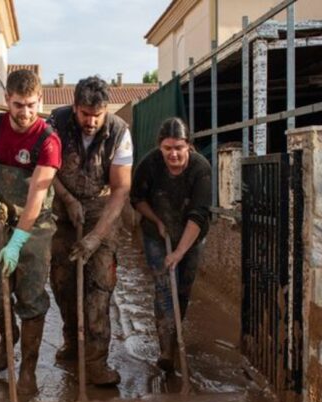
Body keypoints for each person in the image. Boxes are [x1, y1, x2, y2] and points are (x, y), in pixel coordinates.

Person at [0, 69, 62, 396]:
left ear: (40, 101)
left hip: (35, 226)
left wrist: (17, 243)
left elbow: (37, 197)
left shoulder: (48, 141)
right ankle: (8, 337)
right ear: (6, 101)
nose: (25, 113)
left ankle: (28, 370)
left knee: (31, 297)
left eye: (31, 105)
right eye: (18, 105)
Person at [47, 76, 132, 386]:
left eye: (97, 115)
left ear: (105, 109)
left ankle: (96, 361)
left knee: (98, 286)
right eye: (85, 114)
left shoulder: (120, 132)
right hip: (62, 207)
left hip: (101, 208)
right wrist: (67, 199)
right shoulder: (55, 123)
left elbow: (121, 189)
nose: (91, 121)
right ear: (75, 107)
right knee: (62, 281)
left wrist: (97, 236)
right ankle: (72, 340)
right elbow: (44, 170)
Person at [130, 117, 211, 372]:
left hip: (191, 236)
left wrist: (178, 252)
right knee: (164, 286)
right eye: (167, 148)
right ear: (160, 147)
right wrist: (157, 221)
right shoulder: (150, 164)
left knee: (183, 288)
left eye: (179, 147)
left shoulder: (200, 169)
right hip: (157, 234)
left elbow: (198, 215)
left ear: (188, 145)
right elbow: (137, 199)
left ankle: (176, 334)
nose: (173, 154)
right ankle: (166, 348)